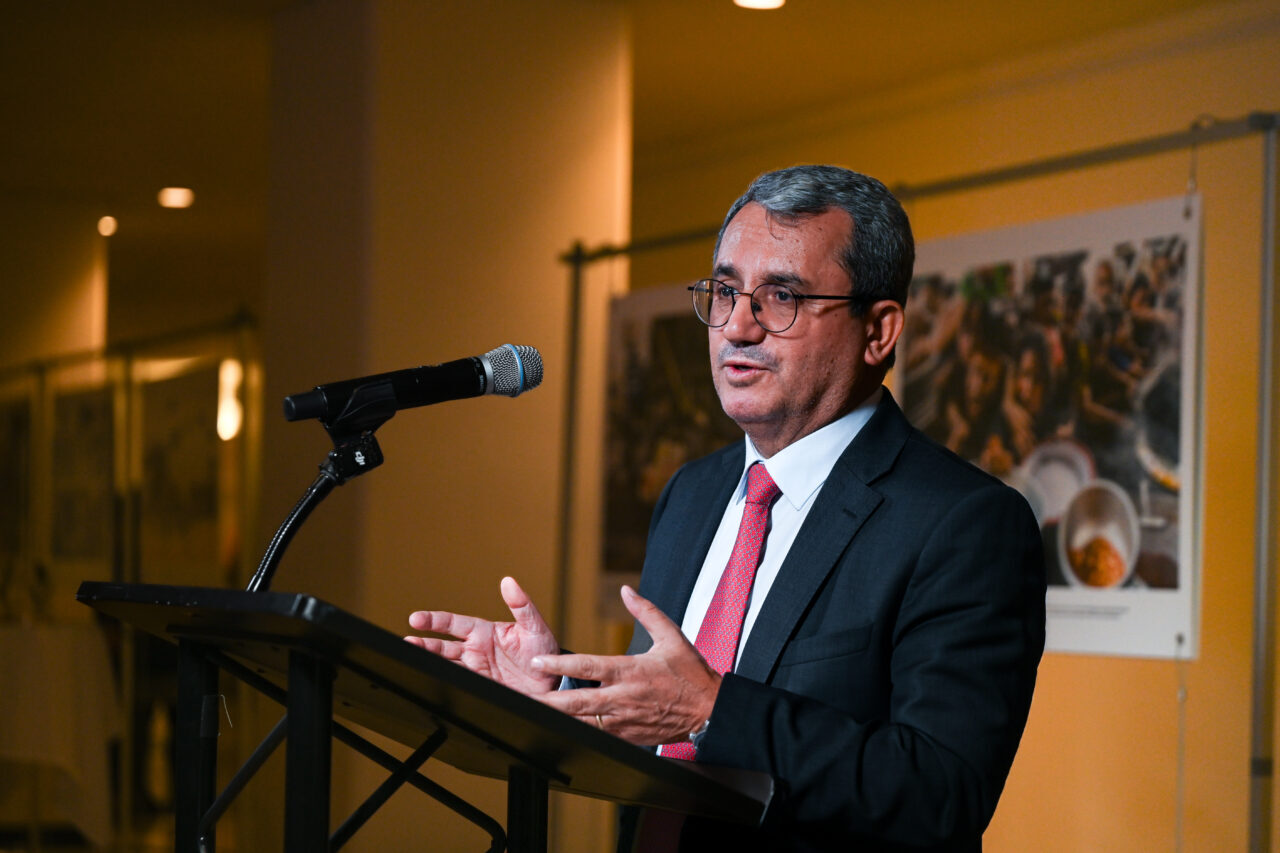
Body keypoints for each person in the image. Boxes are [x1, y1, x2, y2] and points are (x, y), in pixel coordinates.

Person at [407, 165, 1046, 852]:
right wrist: (563, 684)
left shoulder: (966, 523)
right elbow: (663, 711)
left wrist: (714, 710)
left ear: (878, 331)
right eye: (724, 290)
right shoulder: (693, 492)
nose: (737, 325)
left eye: (782, 296)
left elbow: (940, 792)